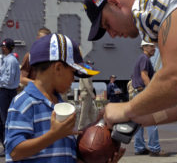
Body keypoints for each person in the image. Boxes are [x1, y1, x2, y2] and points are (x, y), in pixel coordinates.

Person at [83, 0, 177, 129]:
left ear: (115, 3)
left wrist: (126, 108)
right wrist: (137, 118)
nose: (112, 35)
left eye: (107, 24)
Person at [5, 33, 125, 163]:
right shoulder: (24, 103)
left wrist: (95, 157)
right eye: (73, 72)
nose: (73, 79)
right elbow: (15, 151)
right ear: (58, 68)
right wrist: (54, 135)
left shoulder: (62, 105)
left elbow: (66, 153)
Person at [132, 40, 167, 156]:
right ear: (144, 47)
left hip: (137, 94)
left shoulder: (141, 58)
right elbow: (144, 75)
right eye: (152, 46)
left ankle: (139, 148)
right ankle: (154, 149)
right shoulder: (145, 59)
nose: (154, 49)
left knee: (138, 123)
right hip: (143, 93)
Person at [0, 38, 20, 157]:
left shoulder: (11, 61)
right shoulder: (5, 59)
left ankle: (10, 146)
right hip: (3, 91)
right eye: (2, 47)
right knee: (1, 121)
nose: (3, 48)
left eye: (5, 47)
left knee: (5, 120)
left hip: (6, 92)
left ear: (9, 48)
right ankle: (6, 145)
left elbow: (9, 80)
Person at [78, 60, 98, 130]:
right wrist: (92, 94)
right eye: (90, 64)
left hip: (88, 94)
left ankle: (95, 125)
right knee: (84, 111)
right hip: (86, 94)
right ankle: (80, 127)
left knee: (91, 111)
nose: (91, 66)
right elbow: (87, 85)